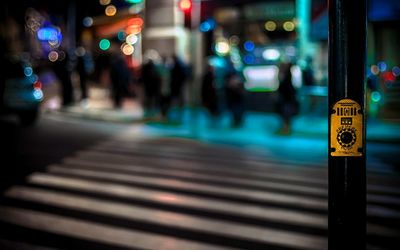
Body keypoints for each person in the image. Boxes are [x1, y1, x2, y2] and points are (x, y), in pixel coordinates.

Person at [276, 61, 299, 134]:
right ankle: (286, 128)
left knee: (286, 115)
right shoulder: (288, 75)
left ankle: (286, 129)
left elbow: (283, 87)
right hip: (287, 99)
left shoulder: (286, 76)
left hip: (287, 99)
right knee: (286, 115)